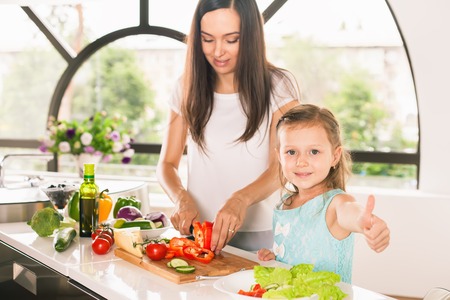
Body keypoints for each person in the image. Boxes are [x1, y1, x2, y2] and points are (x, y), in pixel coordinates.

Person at [156, 0, 300, 254]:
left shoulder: (279, 85)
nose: (218, 51)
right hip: (200, 234)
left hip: (261, 236)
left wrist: (239, 200)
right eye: (207, 39)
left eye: (231, 39)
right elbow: (166, 165)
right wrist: (181, 198)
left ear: (251, 36)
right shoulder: (186, 87)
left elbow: (281, 168)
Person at [257, 104, 390, 283]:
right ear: (279, 157)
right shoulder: (285, 203)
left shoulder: (336, 203)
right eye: (291, 152)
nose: (301, 161)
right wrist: (277, 260)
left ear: (335, 156)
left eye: (314, 152)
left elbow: (350, 210)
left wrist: (365, 222)